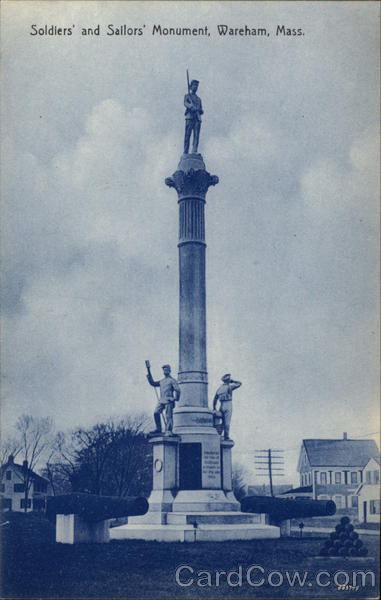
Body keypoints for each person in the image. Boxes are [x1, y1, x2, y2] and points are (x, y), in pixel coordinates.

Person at [146, 364, 180, 434]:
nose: (165, 371)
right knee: (156, 413)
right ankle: (158, 429)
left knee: (168, 416)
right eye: (164, 370)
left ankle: (169, 430)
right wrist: (148, 369)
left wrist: (175, 398)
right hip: (161, 400)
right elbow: (153, 383)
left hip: (169, 400)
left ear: (169, 371)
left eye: (166, 369)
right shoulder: (162, 381)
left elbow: (178, 390)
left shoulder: (172, 380)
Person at [213, 374, 242, 440]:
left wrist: (214, 407)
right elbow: (240, 383)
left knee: (222, 422)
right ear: (228, 380)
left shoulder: (220, 388)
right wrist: (233, 381)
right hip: (228, 404)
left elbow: (215, 399)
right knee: (227, 422)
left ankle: (219, 434)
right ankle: (226, 437)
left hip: (221, 405)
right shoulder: (229, 387)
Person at [184, 79, 203, 154]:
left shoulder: (199, 99)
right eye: (194, 85)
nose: (195, 87)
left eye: (197, 86)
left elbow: (201, 109)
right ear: (191, 87)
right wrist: (191, 106)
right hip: (190, 117)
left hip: (197, 118)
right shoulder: (187, 96)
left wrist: (199, 110)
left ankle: (194, 150)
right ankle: (185, 151)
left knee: (196, 135)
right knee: (187, 135)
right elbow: (185, 103)